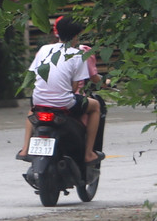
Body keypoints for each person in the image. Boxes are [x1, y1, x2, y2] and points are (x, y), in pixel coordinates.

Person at [18, 15, 102, 164]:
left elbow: (33, 75)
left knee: (32, 109)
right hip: (64, 104)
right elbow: (74, 87)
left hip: (38, 100)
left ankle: (25, 149)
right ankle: (89, 153)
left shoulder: (44, 49)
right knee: (95, 106)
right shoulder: (78, 55)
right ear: (76, 35)